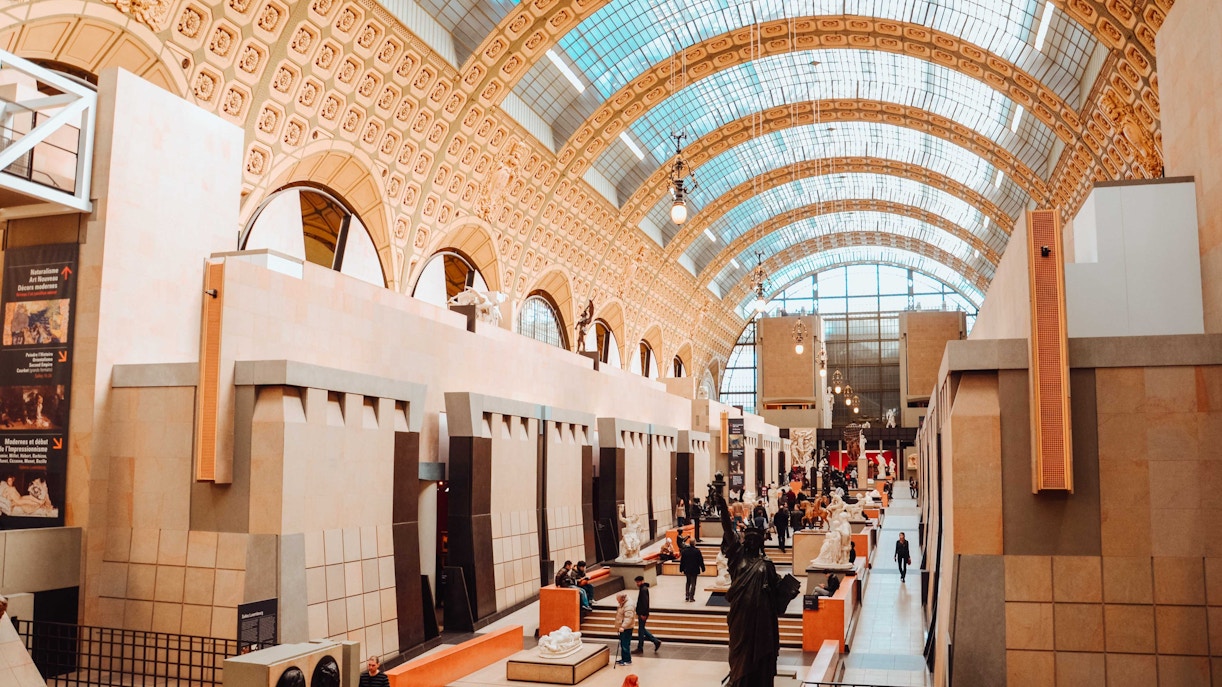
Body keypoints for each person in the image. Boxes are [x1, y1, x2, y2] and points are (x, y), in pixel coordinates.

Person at [715, 489, 801, 686]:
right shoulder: (738, 557)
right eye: (749, 539)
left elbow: (777, 589)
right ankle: (737, 679)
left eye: (756, 540)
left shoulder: (767, 564)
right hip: (741, 616)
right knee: (739, 651)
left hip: (762, 618)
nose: (752, 542)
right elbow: (728, 532)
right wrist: (722, 510)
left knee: (761, 655)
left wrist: (788, 591)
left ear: (761, 543)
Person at [632, 576, 661, 654]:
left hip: (643, 613)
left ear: (642, 581)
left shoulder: (643, 589)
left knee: (641, 631)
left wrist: (643, 614)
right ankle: (654, 641)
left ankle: (642, 647)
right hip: (642, 613)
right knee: (641, 630)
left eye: (638, 582)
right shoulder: (643, 588)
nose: (637, 583)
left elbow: (645, 603)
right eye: (636, 582)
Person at [679, 537, 705, 602]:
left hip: (687, 569)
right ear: (694, 543)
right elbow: (700, 560)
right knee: (693, 583)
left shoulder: (685, 551)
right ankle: (691, 597)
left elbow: (682, 561)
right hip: (694, 569)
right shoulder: (697, 551)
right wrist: (703, 568)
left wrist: (681, 568)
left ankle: (687, 595)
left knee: (688, 582)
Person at [614, 592, 635, 666]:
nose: (618, 602)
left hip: (626, 628)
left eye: (618, 600)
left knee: (625, 644)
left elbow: (628, 618)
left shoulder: (628, 605)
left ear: (622, 598)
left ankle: (627, 660)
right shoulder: (623, 603)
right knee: (623, 643)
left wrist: (623, 626)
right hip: (622, 627)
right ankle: (624, 658)